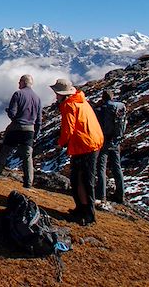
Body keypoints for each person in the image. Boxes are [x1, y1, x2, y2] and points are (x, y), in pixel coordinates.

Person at [51, 78, 104, 225]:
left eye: (57, 94)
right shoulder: (80, 101)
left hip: (85, 145)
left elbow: (68, 129)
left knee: (84, 180)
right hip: (91, 143)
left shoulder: (69, 105)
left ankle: (88, 214)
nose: (56, 97)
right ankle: (82, 208)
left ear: (63, 94)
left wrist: (60, 144)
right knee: (80, 178)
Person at [0, 74, 42, 188]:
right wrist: (36, 133)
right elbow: (39, 120)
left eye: (20, 81)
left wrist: (9, 112)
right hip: (30, 130)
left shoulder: (18, 94)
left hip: (16, 128)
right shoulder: (37, 98)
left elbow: (12, 113)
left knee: (4, 151)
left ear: (24, 82)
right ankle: (28, 182)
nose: (18, 83)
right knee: (27, 156)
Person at [95, 89, 127, 204]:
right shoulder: (119, 107)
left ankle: (101, 195)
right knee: (117, 167)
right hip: (116, 141)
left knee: (101, 168)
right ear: (112, 97)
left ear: (103, 97)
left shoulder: (101, 109)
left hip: (104, 141)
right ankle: (120, 195)